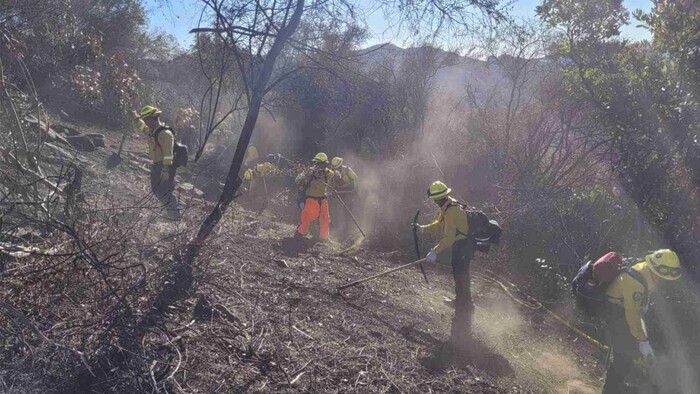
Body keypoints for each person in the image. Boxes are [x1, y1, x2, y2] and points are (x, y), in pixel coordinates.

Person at [602, 249, 682, 393]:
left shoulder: (646, 271)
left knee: (631, 350)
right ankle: (610, 389)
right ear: (655, 269)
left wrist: (643, 338)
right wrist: (643, 342)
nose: (663, 280)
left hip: (624, 310)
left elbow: (638, 310)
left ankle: (621, 382)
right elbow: (631, 314)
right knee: (623, 354)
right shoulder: (634, 283)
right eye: (661, 276)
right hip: (614, 312)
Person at [414, 181, 473, 349]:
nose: (433, 202)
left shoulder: (452, 210)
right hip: (460, 245)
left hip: (463, 246)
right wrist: (424, 228)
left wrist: (434, 251)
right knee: (458, 274)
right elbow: (439, 224)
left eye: (434, 199)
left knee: (461, 275)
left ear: (439, 197)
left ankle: (464, 307)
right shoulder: (447, 205)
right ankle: (461, 301)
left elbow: (448, 237)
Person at [138, 105, 181, 221]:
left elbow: (168, 154)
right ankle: (170, 212)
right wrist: (136, 116)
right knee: (157, 190)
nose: (145, 122)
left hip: (166, 166)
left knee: (164, 191)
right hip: (158, 165)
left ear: (153, 119)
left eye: (146, 120)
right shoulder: (153, 131)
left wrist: (165, 170)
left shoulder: (165, 134)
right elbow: (143, 128)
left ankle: (175, 217)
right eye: (144, 120)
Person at [294, 152, 339, 242]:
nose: (317, 165)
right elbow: (297, 180)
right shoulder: (309, 172)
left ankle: (324, 237)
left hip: (323, 199)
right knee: (307, 217)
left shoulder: (327, 172)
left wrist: (336, 173)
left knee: (325, 218)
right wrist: (304, 176)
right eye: (316, 163)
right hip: (311, 198)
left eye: (319, 163)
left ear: (324, 163)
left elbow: (336, 175)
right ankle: (300, 233)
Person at [329, 157, 359, 240]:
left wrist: (355, 190)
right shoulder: (333, 172)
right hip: (339, 193)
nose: (336, 169)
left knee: (348, 211)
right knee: (337, 211)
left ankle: (348, 231)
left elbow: (355, 179)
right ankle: (340, 230)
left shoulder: (347, 170)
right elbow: (330, 183)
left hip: (349, 192)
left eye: (337, 167)